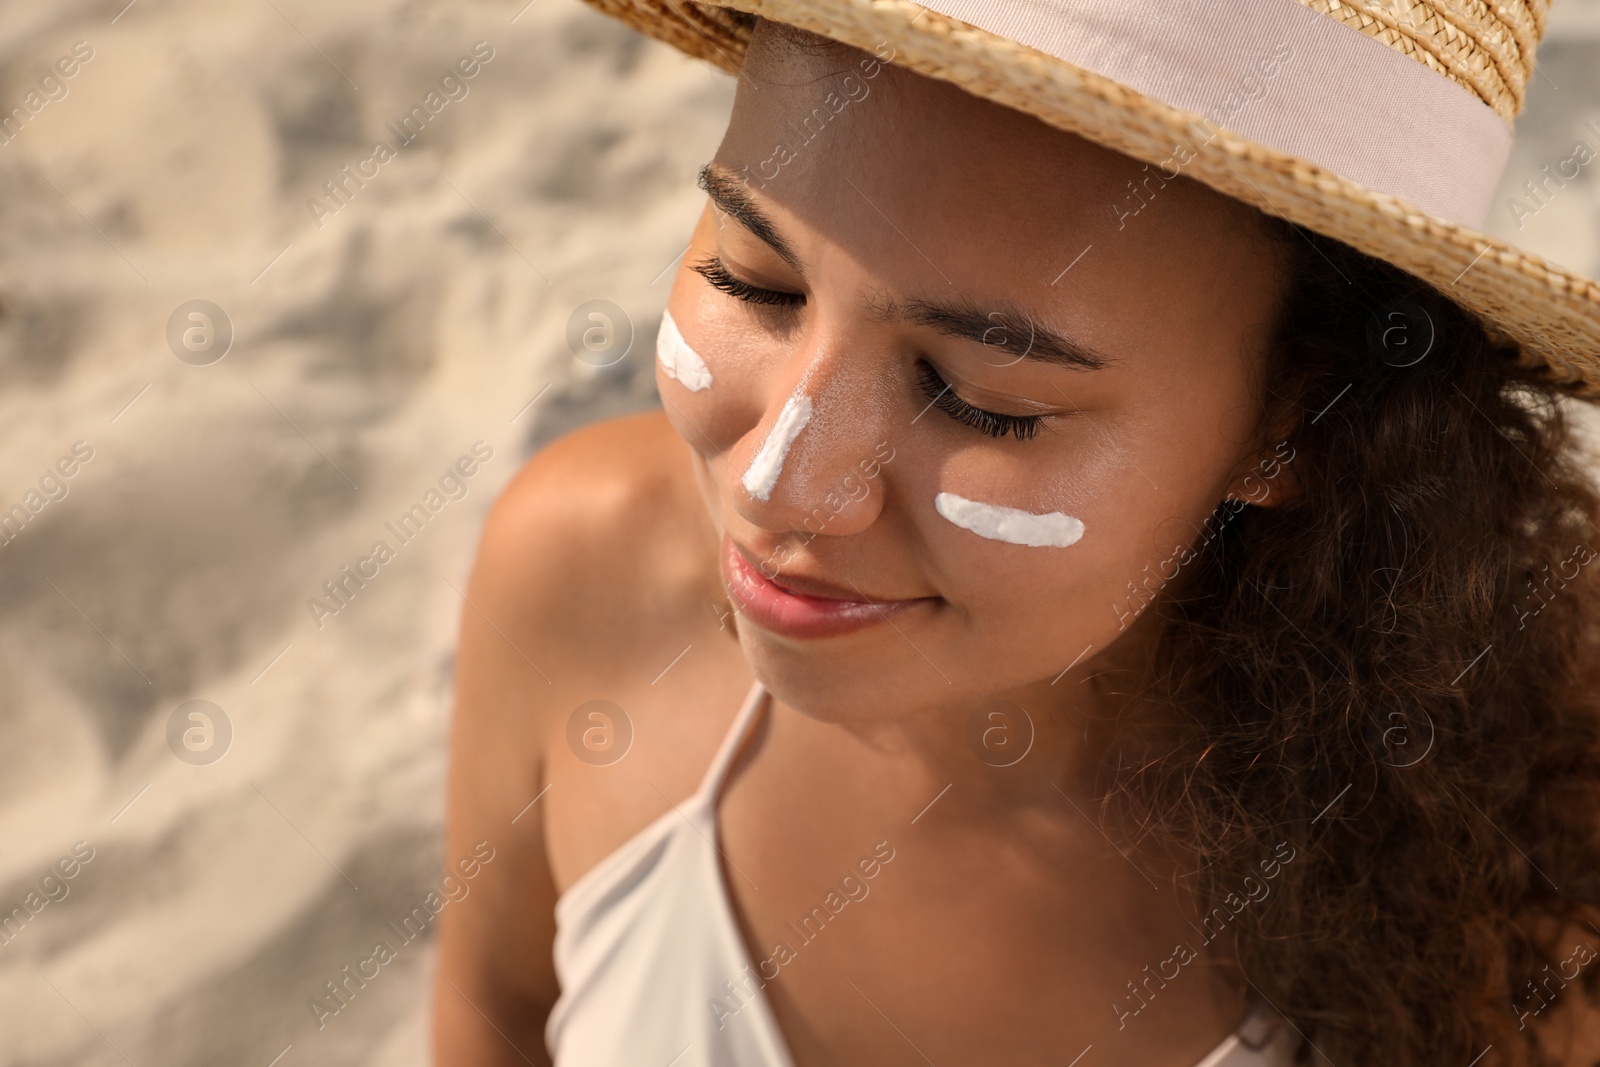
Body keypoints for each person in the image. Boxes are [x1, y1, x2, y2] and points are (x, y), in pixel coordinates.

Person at [432, 3, 1600, 1065]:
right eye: (754, 282)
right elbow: (493, 1009)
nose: (783, 482)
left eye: (983, 397)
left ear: (1298, 423)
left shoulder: (1521, 869)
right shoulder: (582, 567)